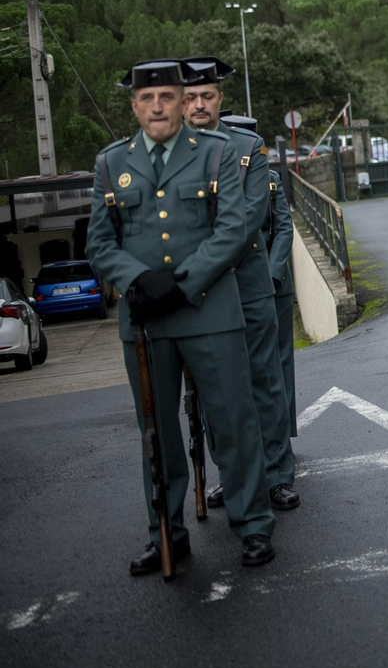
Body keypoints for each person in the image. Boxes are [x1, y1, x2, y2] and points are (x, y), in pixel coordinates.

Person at [86, 59, 275, 573]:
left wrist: (180, 284)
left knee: (233, 422)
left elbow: (234, 227)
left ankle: (253, 525)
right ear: (134, 106)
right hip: (145, 318)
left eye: (167, 97)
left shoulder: (218, 153)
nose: (158, 107)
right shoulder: (111, 163)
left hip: (209, 310)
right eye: (146, 100)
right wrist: (138, 282)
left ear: (180, 98)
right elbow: (100, 244)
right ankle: (164, 532)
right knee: (157, 432)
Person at [183, 64, 298, 510]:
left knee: (265, 380)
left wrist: (198, 264)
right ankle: (231, 475)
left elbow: (249, 218)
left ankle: (277, 475)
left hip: (246, 282)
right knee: (216, 389)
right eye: (190, 96)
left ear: (218, 98)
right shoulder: (166, 154)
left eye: (207, 96)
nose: (198, 105)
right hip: (200, 291)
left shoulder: (249, 148)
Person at [266, 163, 297, 433]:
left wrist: (271, 274)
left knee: (281, 358)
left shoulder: (269, 179)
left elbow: (284, 229)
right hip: (231, 284)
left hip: (275, 283)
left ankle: (283, 432)